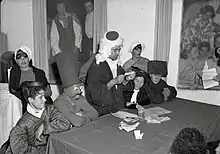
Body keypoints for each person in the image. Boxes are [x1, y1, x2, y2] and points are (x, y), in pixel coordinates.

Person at [5, 81, 71, 154]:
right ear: (31, 100)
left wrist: (44, 127)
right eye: (40, 97)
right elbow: (22, 152)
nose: (45, 100)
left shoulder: (49, 109)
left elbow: (65, 123)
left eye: (44, 96)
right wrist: (46, 150)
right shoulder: (21, 127)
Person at [85, 31, 133, 116]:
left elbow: (121, 88)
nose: (118, 53)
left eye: (119, 50)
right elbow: (94, 94)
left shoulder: (117, 64)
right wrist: (113, 82)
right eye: (115, 50)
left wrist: (127, 79)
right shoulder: (96, 67)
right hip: (103, 110)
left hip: (117, 107)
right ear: (106, 49)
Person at [9, 45, 53, 114]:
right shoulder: (14, 72)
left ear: (29, 58)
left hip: (43, 103)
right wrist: (27, 98)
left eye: (25, 57)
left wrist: (37, 97)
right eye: (19, 58)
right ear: (16, 61)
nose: (22, 60)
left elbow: (48, 91)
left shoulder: (39, 72)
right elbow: (12, 89)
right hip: (27, 104)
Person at [54, 61, 98, 127]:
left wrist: (82, 114)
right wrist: (87, 117)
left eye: (79, 88)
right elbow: (77, 122)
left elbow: (95, 114)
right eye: (75, 89)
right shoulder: (59, 103)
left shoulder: (79, 98)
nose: (79, 91)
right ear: (66, 90)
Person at [50, 1, 82, 86]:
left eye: (62, 7)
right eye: (59, 7)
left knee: (74, 71)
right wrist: (58, 51)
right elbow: (53, 38)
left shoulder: (72, 18)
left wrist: (76, 46)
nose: (61, 9)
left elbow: (78, 33)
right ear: (57, 9)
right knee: (63, 73)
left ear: (65, 7)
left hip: (72, 50)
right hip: (62, 52)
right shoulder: (55, 21)